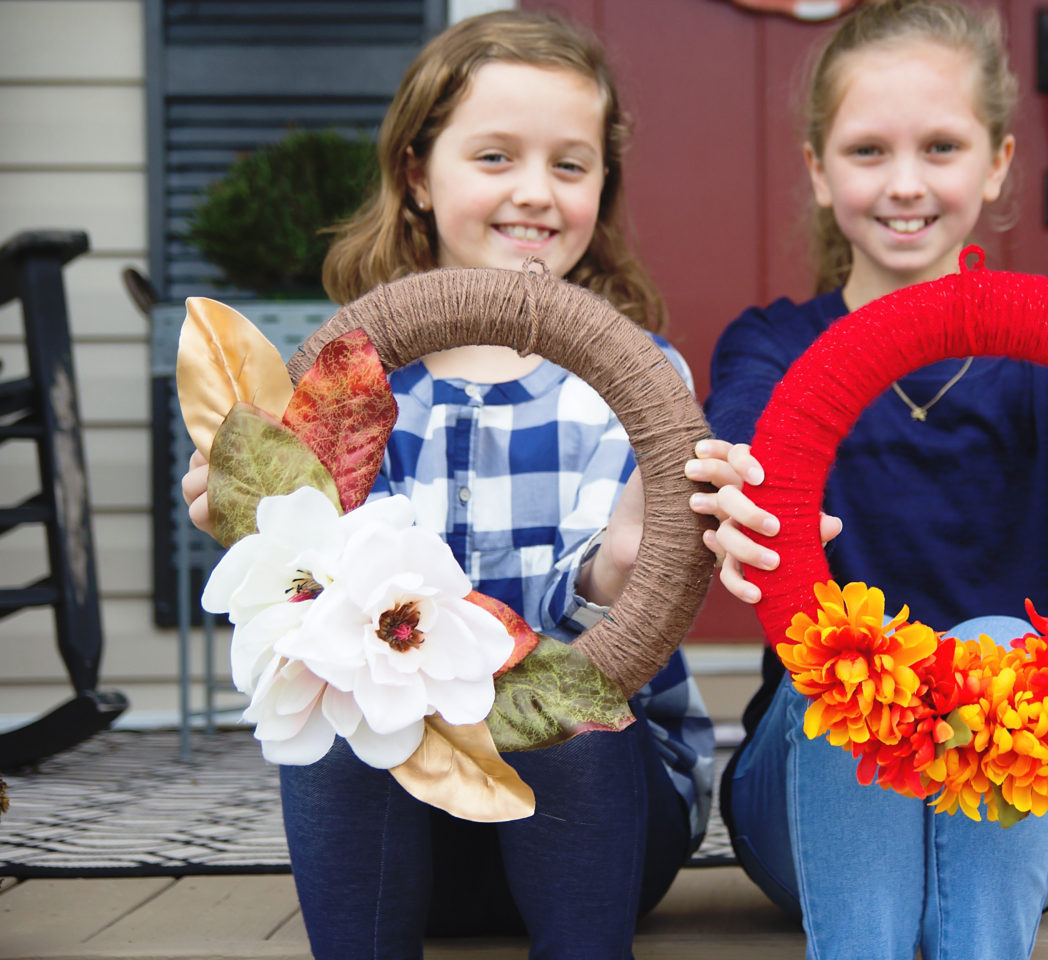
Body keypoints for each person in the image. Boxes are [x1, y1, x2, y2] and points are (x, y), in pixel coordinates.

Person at [683, 2, 1048, 958]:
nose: (904, 183)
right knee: (856, 671)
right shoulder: (773, 343)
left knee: (997, 646)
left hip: (1020, 799)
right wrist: (737, 478)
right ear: (818, 170)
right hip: (813, 798)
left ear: (997, 162)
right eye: (868, 151)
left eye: (942, 147)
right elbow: (749, 432)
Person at [181, 11, 713, 959]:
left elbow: (615, 615)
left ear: (603, 185)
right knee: (329, 682)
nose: (535, 193)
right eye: (496, 157)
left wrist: (619, 566)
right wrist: (258, 518)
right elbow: (308, 584)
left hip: (604, 824)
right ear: (419, 176)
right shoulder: (350, 383)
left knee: (578, 694)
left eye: (571, 164)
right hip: (408, 817)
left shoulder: (639, 382)